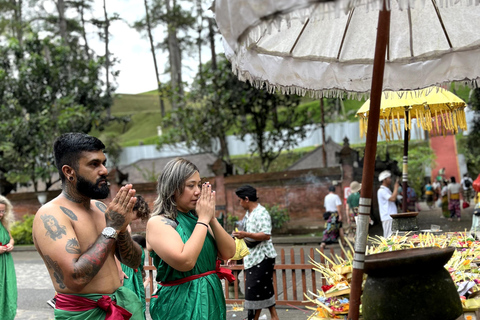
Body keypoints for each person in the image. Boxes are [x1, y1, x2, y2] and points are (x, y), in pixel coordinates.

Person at [32, 132, 143, 319]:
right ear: (69, 172)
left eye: (103, 163)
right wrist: (112, 228)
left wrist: (122, 229)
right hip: (84, 313)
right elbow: (76, 279)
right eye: (94, 164)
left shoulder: (101, 208)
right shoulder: (50, 215)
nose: (104, 171)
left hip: (121, 304)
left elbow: (133, 262)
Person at [146, 158, 236, 320]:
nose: (198, 191)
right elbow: (185, 262)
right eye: (190, 185)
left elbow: (229, 252)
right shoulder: (158, 222)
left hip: (210, 299)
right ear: (173, 188)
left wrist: (211, 218)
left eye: (199, 185)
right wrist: (203, 220)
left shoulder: (200, 220)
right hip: (181, 304)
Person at [230, 185, 279, 320]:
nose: (239, 203)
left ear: (246, 199)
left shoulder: (261, 213)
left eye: (240, 200)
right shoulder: (249, 214)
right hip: (252, 257)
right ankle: (274, 316)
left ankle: (253, 318)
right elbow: (247, 239)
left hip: (263, 257)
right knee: (264, 289)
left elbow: (266, 235)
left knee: (253, 290)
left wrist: (245, 234)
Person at [120, 195, 151, 320]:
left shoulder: (126, 224)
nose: (137, 219)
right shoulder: (123, 225)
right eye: (137, 214)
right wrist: (118, 269)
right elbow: (114, 248)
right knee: (130, 307)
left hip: (131, 272)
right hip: (126, 272)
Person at [0, 195, 17, 320]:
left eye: (2, 211)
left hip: (6, 262)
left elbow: (11, 238)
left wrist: (10, 244)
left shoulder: (3, 223)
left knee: (7, 290)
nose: (1, 214)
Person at [377, 170, 399, 239]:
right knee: (389, 237)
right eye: (389, 178)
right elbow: (392, 198)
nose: (390, 180)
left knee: (393, 236)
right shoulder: (381, 190)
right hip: (388, 217)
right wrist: (396, 188)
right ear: (384, 180)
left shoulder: (386, 190)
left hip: (390, 217)